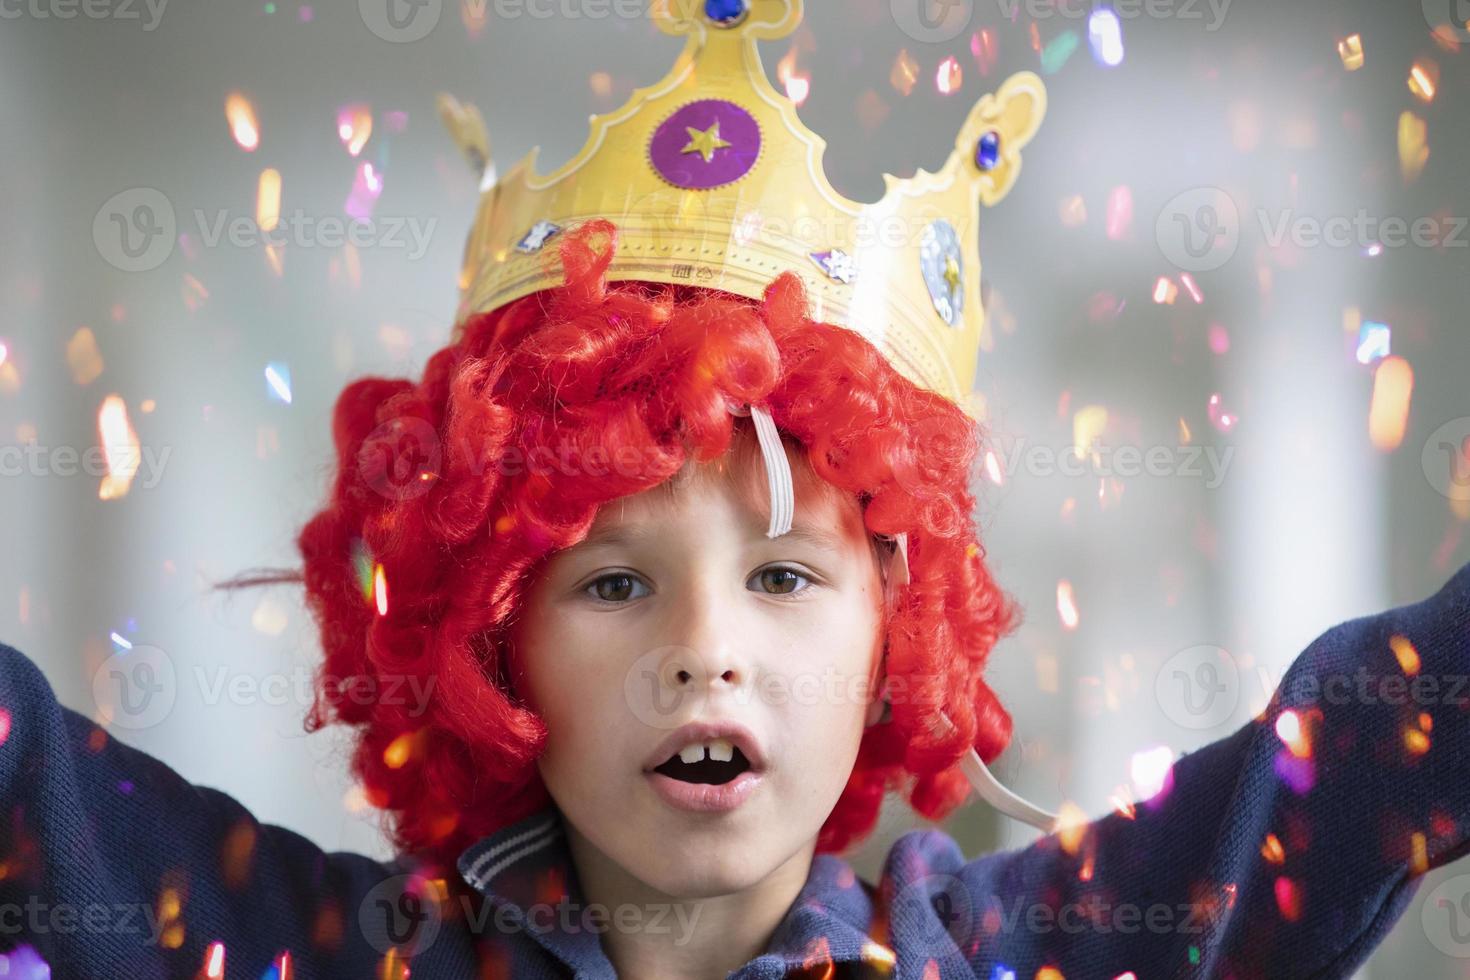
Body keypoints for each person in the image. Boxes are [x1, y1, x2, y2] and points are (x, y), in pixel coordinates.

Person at [4, 2, 1469, 977]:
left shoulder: (1014, 952)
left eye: (781, 576)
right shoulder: (342, 949)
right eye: (614, 581)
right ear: (491, 642)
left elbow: (1370, 739)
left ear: (896, 635)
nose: (704, 646)